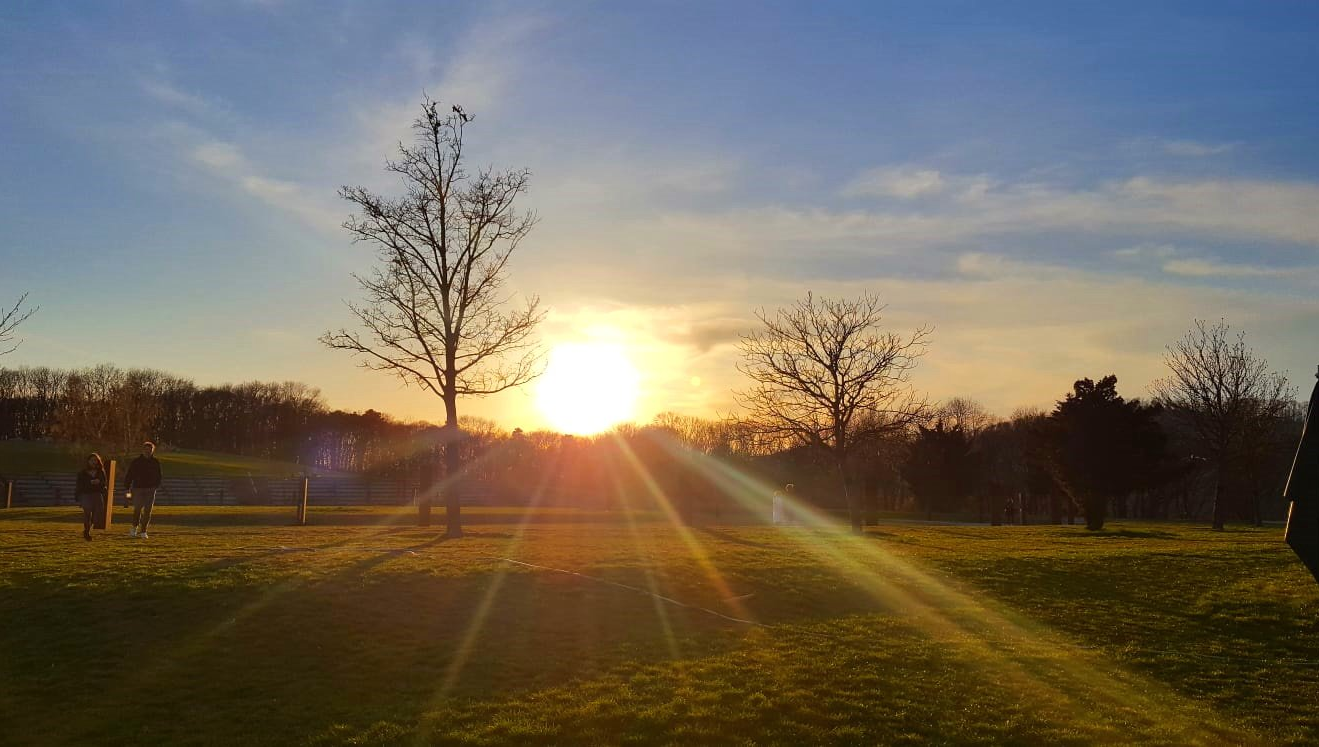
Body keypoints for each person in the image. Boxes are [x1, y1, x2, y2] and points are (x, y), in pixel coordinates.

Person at [123, 441, 162, 539]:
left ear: (152, 451)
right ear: (143, 450)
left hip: (150, 489)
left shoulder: (155, 462)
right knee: (137, 509)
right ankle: (134, 528)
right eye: (146, 450)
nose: (148, 452)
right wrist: (127, 487)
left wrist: (156, 485)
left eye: (150, 450)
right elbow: (130, 474)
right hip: (138, 488)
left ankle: (143, 531)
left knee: (148, 511)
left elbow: (159, 475)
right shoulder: (136, 461)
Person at [75, 453, 107, 541]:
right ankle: (87, 531)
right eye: (92, 460)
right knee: (87, 512)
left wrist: (99, 482)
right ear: (88, 461)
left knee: (98, 514)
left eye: (95, 460)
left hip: (97, 494)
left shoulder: (100, 471)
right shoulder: (82, 473)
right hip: (86, 494)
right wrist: (90, 483)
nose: (94, 462)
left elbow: (104, 483)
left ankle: (89, 527)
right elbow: (80, 485)